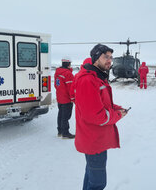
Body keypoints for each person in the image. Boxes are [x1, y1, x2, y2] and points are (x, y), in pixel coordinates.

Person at [72, 44, 127, 190]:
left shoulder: (97, 78)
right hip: (94, 141)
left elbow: (101, 104)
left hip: (97, 140)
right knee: (98, 183)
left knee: (91, 175)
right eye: (105, 57)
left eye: (111, 57)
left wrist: (117, 108)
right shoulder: (88, 80)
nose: (110, 60)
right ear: (96, 58)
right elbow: (96, 116)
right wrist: (117, 115)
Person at [54, 59, 75, 139]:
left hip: (60, 98)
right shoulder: (68, 74)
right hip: (67, 99)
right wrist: (73, 98)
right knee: (66, 116)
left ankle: (60, 131)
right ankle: (65, 133)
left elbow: (56, 85)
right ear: (68, 64)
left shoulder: (57, 73)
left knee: (60, 114)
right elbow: (71, 88)